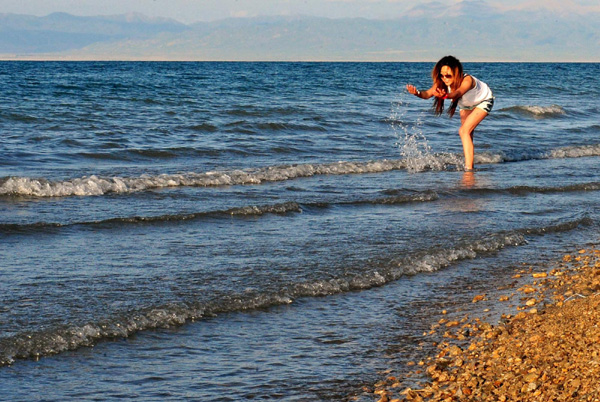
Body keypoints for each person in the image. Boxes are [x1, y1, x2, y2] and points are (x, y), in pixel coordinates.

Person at [405, 55, 494, 171]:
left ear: (457, 73)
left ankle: (469, 170)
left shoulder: (467, 80)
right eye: (442, 75)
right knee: (467, 134)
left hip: (484, 100)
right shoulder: (442, 83)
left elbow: (458, 93)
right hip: (466, 105)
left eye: (448, 76)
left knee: (463, 131)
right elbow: (427, 94)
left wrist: (446, 95)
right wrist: (416, 92)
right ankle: (470, 165)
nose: (444, 79)